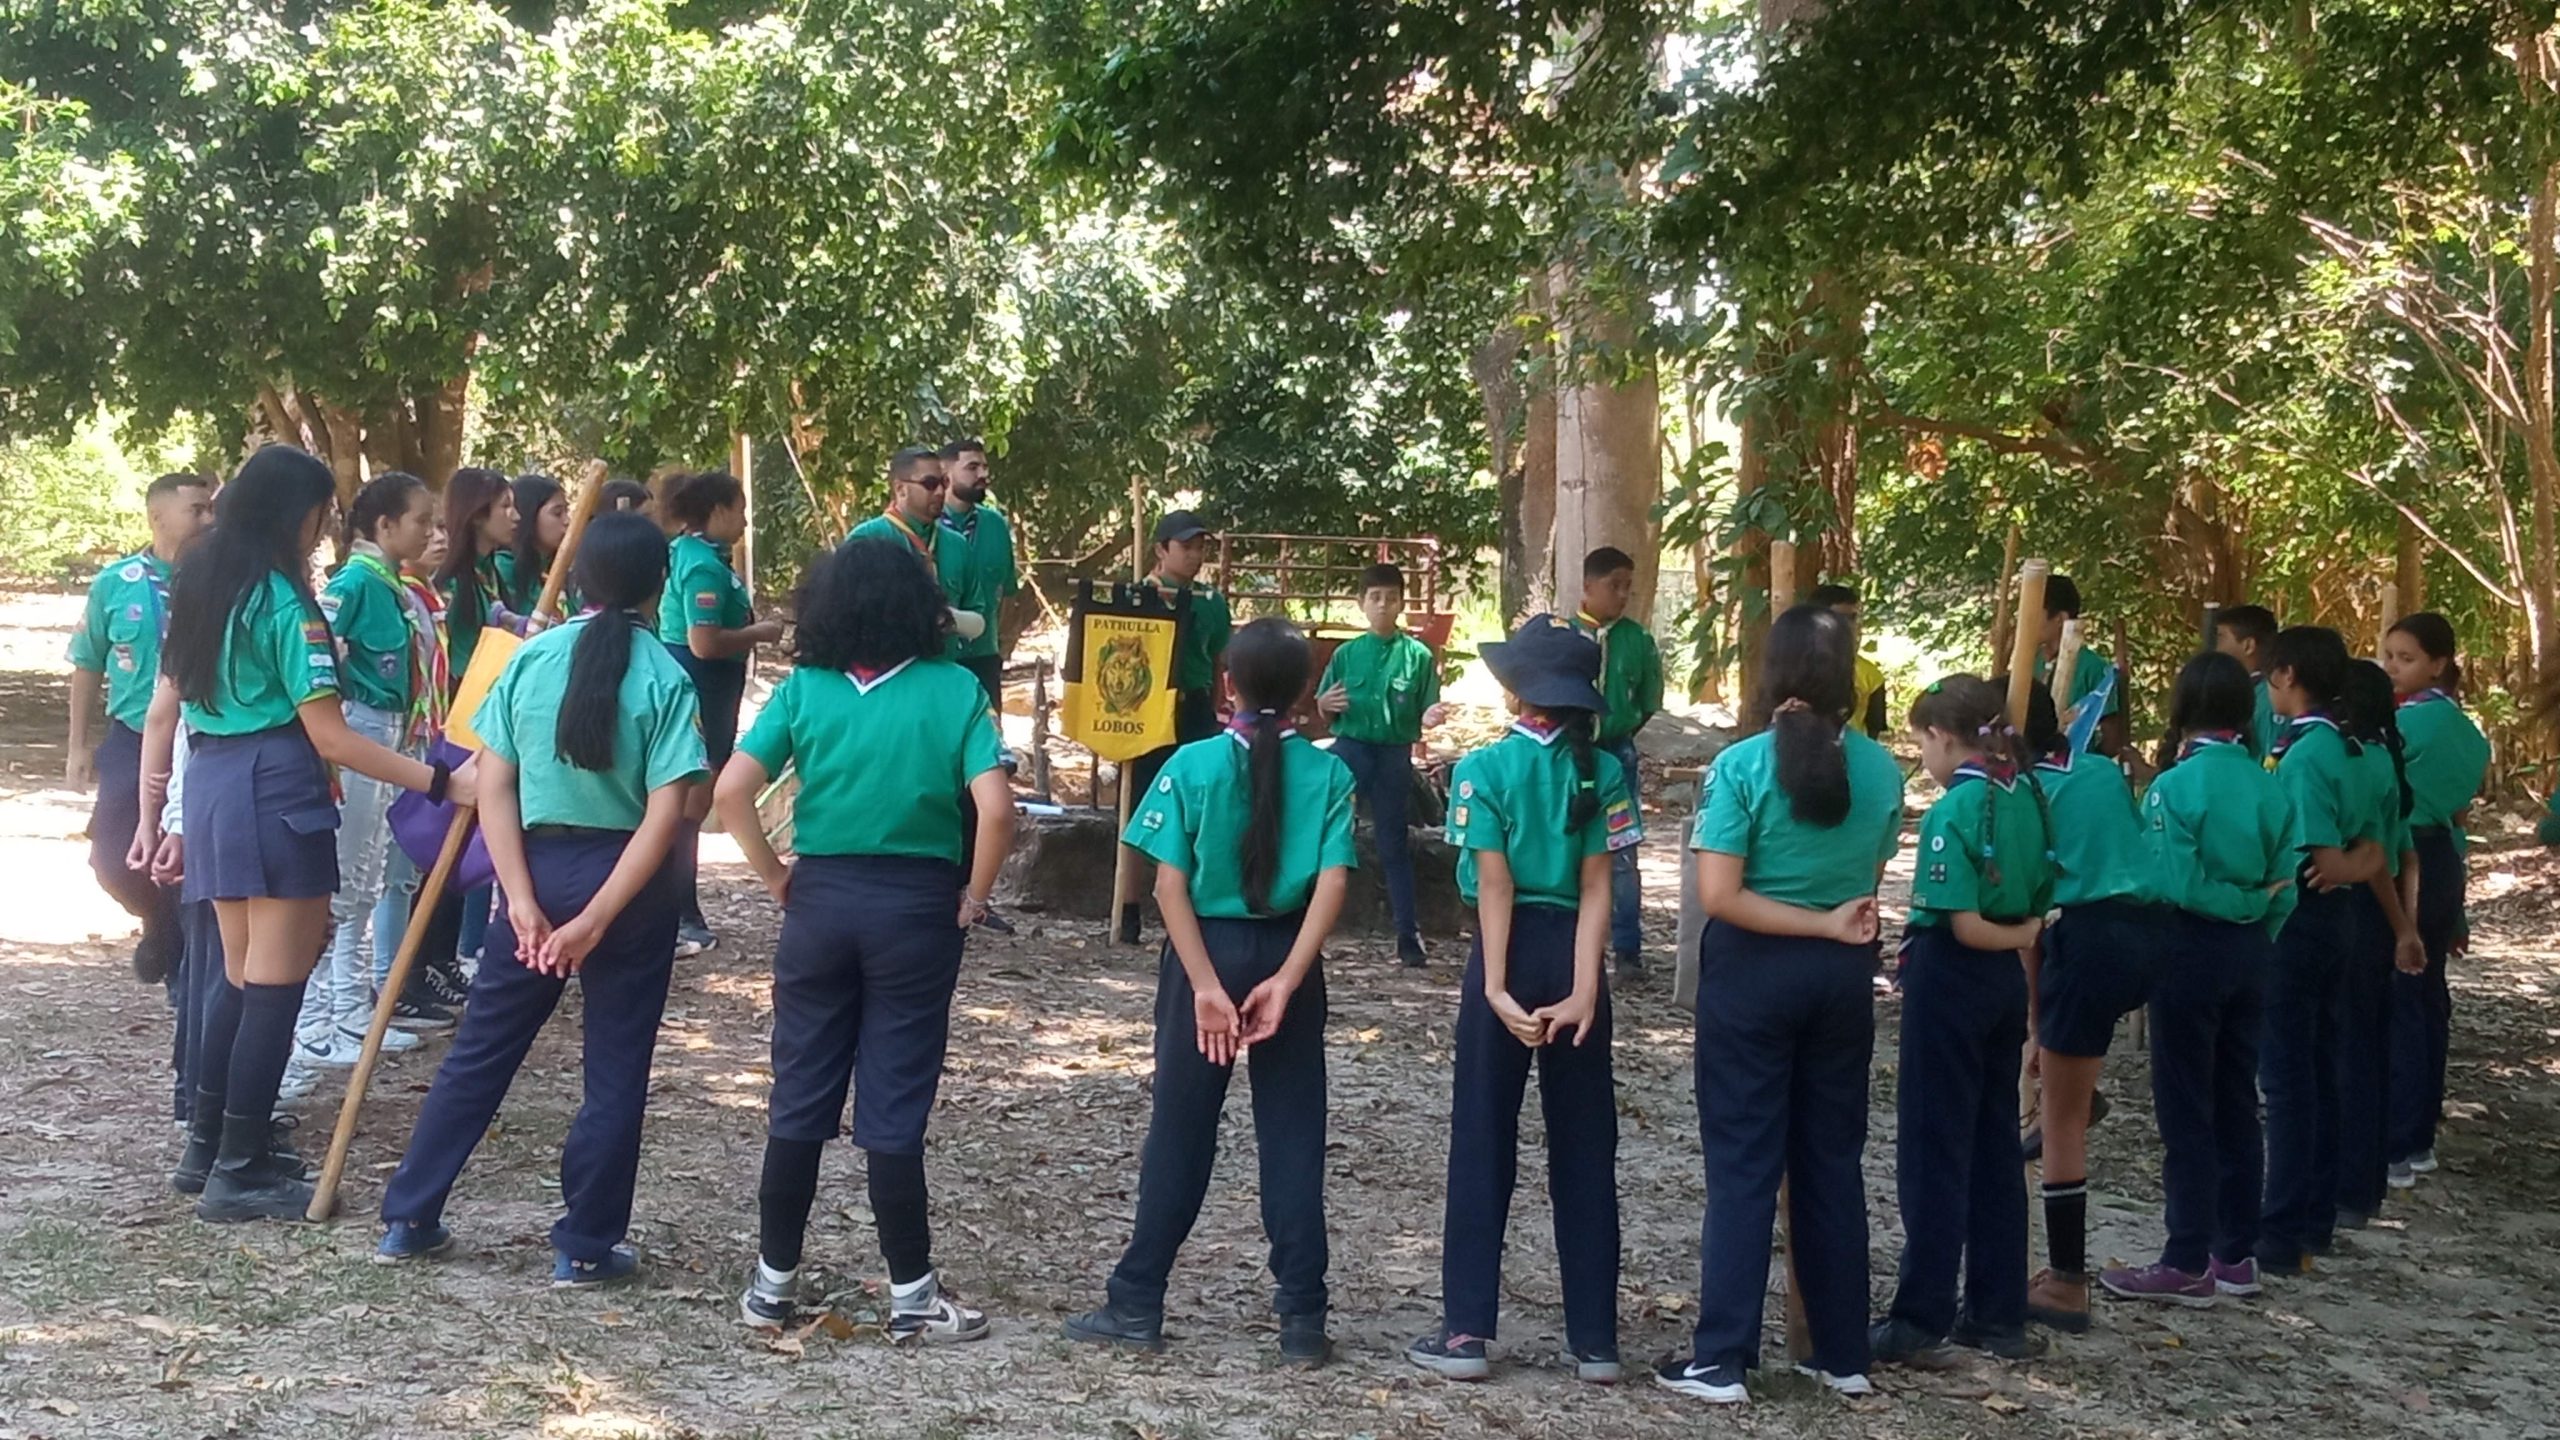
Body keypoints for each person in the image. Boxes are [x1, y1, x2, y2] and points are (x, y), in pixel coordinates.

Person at [136, 445, 473, 1222]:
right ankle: (241, 1169)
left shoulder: (203, 583)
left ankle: (212, 1146)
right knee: (274, 989)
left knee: (240, 979)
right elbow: (332, 735)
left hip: (215, 782)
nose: (323, 531)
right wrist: (440, 782)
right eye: (321, 515)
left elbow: (171, 702)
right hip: (275, 787)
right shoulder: (285, 603)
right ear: (296, 514)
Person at [374, 513, 704, 1283]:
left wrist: (519, 898)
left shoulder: (531, 658)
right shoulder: (665, 675)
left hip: (537, 865)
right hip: (628, 881)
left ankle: (409, 1216)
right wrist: (596, 917)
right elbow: (666, 814)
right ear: (660, 585)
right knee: (615, 1068)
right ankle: (585, 1247)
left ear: (581, 577)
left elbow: (492, 783)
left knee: (481, 1050)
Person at [717, 537, 1016, 1340]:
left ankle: (771, 1286)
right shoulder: (954, 689)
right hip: (916, 908)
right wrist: (976, 897)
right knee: (894, 1103)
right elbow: (996, 810)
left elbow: (733, 790)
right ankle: (912, 1294)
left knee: (798, 1097)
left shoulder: (805, 690)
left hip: (820, 900)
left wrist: (776, 877)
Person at [1067, 619, 1354, 1366]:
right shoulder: (1330, 774)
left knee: (1182, 1127)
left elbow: (1167, 886)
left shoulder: (1190, 765)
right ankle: (1303, 1317)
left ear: (1227, 685)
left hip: (1206, 952)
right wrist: (1288, 979)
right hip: (1288, 954)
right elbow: (1333, 883)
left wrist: (1203, 986)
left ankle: (1137, 1298)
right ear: (1306, 692)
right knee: (1293, 1134)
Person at [1656, 605, 1899, 1406]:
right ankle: (1842, 1353)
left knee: (1743, 1165)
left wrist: (1811, 922)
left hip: (1753, 978)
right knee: (1831, 1161)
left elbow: (1721, 895)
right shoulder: (1883, 770)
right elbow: (1868, 872)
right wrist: (1830, 924)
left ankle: (1722, 1356)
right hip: (1840, 978)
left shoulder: (1741, 766)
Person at [1405, 615, 1636, 1386]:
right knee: (1585, 1145)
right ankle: (1595, 1342)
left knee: (1483, 1137)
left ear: (1514, 693)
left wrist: (1497, 988)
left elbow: (1494, 885)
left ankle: (1467, 1330)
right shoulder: (1605, 771)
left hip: (1504, 954)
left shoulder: (1483, 769)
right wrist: (1585, 988)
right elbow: (1600, 886)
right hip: (1574, 957)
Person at [2098, 652, 2290, 1306]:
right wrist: (2257, 917)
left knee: (2186, 1107)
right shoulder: (2270, 784)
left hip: (2188, 949)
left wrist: (2238, 905)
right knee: (2237, 1100)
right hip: (2253, 952)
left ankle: (2185, 1258)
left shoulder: (2174, 788)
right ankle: (2236, 1253)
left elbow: (2174, 882)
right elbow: (2286, 885)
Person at [1870, 676, 2052, 1366]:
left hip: (1953, 976)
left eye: (1921, 742)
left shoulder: (1958, 810)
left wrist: (2018, 932)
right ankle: (1998, 1313)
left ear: (1943, 737)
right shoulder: (2027, 796)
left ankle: (1921, 1316)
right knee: (1993, 1145)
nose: (1922, 757)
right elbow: (2037, 899)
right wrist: (2027, 932)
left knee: (1934, 1147)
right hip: (2003, 984)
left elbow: (1966, 925)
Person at [2012, 682, 2165, 1331]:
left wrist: (2034, 1025)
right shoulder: (2098, 768)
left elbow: (2029, 919)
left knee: (2061, 1119)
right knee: (2068, 1084)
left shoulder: (2024, 794)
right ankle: (2075, 1090)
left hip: (2086, 935)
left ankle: (2067, 1282)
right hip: (2148, 933)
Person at [292, 473, 447, 1094]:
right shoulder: (353, 584)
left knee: (369, 875)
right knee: (345, 875)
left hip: (393, 732)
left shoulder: (394, 586)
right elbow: (324, 654)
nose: (429, 531)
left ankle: (351, 1007)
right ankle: (313, 1020)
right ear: (384, 525)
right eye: (420, 520)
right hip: (360, 728)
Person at [2256, 625, 2390, 1273]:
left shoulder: (2307, 754)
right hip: (2338, 920)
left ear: (2286, 675)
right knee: (2319, 1065)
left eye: (2269, 674)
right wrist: (2355, 865)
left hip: (2299, 919)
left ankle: (2282, 1231)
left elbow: (2327, 859)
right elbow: (2375, 849)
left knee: (2287, 1078)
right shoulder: (2353, 748)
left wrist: (2343, 865)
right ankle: (2315, 1220)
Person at [66, 471, 214, 983]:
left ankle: (184, 969)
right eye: (196, 509)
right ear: (158, 517)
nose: (208, 519)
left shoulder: (220, 581)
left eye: (210, 508)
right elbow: (87, 661)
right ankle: (161, 922)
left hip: (199, 737)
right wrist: (77, 745)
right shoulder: (116, 583)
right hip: (131, 736)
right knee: (111, 856)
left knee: (189, 853)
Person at [2379, 613, 2489, 1187]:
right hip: (2444, 858)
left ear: (2438, 664)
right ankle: (2418, 1135)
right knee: (2426, 998)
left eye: (2406, 658)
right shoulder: (2469, 732)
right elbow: (2460, 818)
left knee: (2399, 996)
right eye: (2389, 656)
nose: (2392, 667)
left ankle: (2395, 1141)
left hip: (2408, 857)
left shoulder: (2402, 726)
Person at [658, 469, 781, 956]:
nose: (745, 521)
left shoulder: (700, 555)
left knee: (690, 803)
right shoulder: (702, 567)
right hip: (701, 684)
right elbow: (703, 642)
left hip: (711, 688)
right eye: (740, 510)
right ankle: (678, 912)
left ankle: (679, 907)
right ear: (717, 511)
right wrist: (760, 633)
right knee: (689, 805)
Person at [1317, 562, 1445, 967]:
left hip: (1393, 754)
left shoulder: (1418, 656)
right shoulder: (1346, 655)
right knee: (1329, 833)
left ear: (1402, 603)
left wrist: (1430, 717)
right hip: (1350, 749)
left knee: (1394, 843)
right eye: (1375, 598)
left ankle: (1407, 935)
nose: (1383, 605)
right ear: (1361, 603)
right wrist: (1324, 704)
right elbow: (1323, 705)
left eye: (1391, 598)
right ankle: (1309, 928)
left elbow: (1428, 706)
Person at [2334, 660, 2423, 1231]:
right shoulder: (2384, 761)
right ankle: (2365, 1186)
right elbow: (2407, 856)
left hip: (2360, 912)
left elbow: (2377, 864)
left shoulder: (2355, 764)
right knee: (2367, 1049)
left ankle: (2349, 1187)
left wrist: (2400, 926)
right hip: (2378, 917)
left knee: (2348, 1053)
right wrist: (2407, 927)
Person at [434, 467, 524, 971]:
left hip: (487, 718)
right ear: (475, 515)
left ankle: (452, 956)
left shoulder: (489, 573)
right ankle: (440, 958)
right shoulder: (454, 582)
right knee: (447, 843)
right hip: (462, 724)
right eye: (504, 506)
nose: (515, 516)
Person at [1569, 547, 1663, 979]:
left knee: (1623, 849)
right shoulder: (1563, 635)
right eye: (1614, 586)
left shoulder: (1637, 641)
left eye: (1628, 587)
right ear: (1588, 586)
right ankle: (1570, 943)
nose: (1623, 595)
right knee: (1569, 840)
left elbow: (1648, 700)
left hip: (1618, 753)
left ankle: (1627, 950)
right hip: (1569, 754)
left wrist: (1618, 729)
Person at [1125, 511, 1235, 802]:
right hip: (1147, 707)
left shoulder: (1212, 602)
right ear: (1161, 550)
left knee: (1194, 791)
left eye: (1200, 548)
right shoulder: (1136, 597)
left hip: (1195, 706)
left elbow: (1216, 659)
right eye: (1186, 547)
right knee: (1147, 791)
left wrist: (1212, 706)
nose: (1195, 556)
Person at [937, 439, 1020, 720]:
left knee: (988, 736)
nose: (983, 474)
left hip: (985, 659)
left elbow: (1007, 591)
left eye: (984, 467)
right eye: (972, 467)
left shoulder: (996, 525)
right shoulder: (926, 528)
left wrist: (996, 645)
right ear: (945, 474)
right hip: (938, 659)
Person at [2033, 575, 2126, 758]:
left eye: (2035, 612)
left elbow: (2111, 737)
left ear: (2060, 618)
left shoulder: (2093, 668)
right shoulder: (2030, 663)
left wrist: (2084, 765)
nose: (2026, 620)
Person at [1808, 582, 1888, 739]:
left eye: (1854, 618)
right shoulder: (1795, 667)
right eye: (1840, 618)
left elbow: (1874, 730)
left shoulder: (1871, 675)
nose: (1851, 626)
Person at [494, 473, 570, 615]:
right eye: (557, 513)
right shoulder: (504, 568)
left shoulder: (561, 571)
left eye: (567, 511)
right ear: (529, 515)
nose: (567, 521)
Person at [2212, 604, 2282, 758]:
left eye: (2221, 638)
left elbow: (2270, 760)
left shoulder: (2269, 698)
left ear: (2248, 646)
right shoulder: (2241, 691)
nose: (2216, 649)